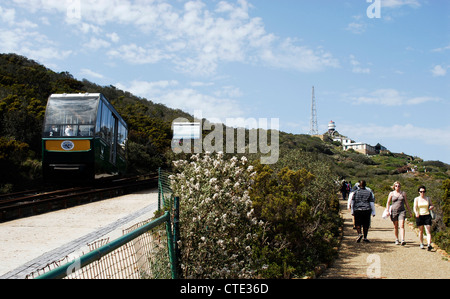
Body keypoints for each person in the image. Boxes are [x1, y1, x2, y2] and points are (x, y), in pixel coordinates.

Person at [386, 181, 412, 245]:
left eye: (399, 186)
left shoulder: (403, 193)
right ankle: (397, 239)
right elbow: (388, 202)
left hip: (402, 211)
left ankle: (403, 239)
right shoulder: (391, 194)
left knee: (402, 225)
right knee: (396, 226)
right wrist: (387, 210)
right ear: (394, 187)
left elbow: (406, 203)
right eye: (396, 186)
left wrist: (409, 211)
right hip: (394, 211)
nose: (397, 187)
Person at [413, 186, 434, 251]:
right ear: (419, 192)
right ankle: (421, 243)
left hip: (427, 215)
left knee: (428, 231)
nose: (422, 193)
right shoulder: (416, 199)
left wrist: (431, 207)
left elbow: (432, 205)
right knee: (421, 231)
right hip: (420, 216)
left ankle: (429, 244)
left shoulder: (428, 198)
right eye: (421, 191)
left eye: (424, 191)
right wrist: (416, 212)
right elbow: (415, 207)